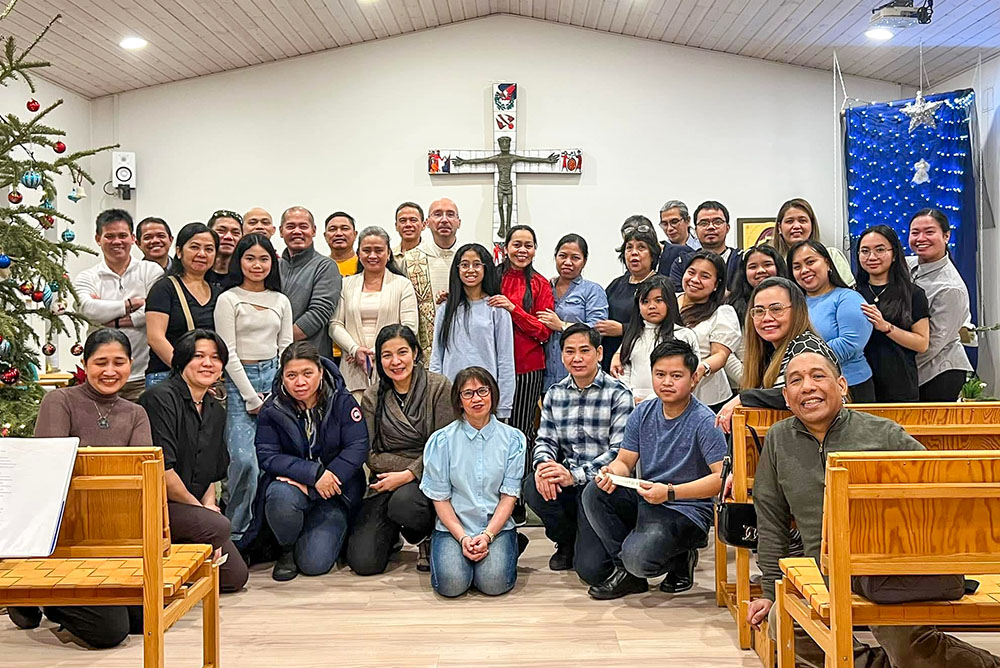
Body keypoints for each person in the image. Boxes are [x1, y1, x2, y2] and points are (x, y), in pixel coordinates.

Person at [748, 344, 1000, 668]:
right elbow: (770, 520)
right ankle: (872, 663)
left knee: (911, 651)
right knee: (781, 624)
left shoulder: (883, 433)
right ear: (786, 396)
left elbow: (940, 492)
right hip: (818, 572)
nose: (807, 386)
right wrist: (770, 592)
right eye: (795, 380)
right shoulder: (779, 439)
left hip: (885, 572)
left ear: (841, 385)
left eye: (817, 376)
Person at [7, 329, 151, 649]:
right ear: (85, 363)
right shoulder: (59, 400)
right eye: (101, 362)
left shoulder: (136, 413)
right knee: (110, 632)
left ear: (130, 365)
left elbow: (139, 475)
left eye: (119, 362)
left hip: (113, 534)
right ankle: (41, 597)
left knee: (143, 619)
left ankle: (38, 597)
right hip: (64, 530)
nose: (110, 371)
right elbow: (49, 470)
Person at [583, 339, 726, 599]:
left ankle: (682, 556)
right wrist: (611, 473)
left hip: (687, 509)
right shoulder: (642, 412)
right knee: (594, 492)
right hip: (648, 496)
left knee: (639, 558)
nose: (667, 382)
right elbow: (625, 461)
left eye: (676, 375)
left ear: (693, 378)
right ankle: (625, 572)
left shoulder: (705, 421)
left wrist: (670, 492)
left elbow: (722, 478)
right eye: (660, 375)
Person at [137, 330, 249, 593]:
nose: (208, 363)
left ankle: (180, 558)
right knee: (218, 525)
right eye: (199, 356)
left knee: (234, 577)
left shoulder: (214, 409)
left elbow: (212, 471)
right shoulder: (160, 399)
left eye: (215, 357)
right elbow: (162, 471)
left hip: (194, 507)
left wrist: (209, 504)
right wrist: (200, 509)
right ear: (182, 360)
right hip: (160, 506)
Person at [526, 324, 633, 582]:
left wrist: (573, 475)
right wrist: (543, 466)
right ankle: (567, 540)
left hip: (601, 486)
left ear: (599, 353)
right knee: (532, 485)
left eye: (584, 351)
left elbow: (618, 453)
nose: (577, 358)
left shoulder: (619, 394)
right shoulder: (555, 394)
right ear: (561, 356)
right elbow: (545, 440)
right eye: (570, 351)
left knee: (592, 571)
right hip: (568, 482)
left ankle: (594, 540)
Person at [346, 325, 456, 576]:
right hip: (385, 480)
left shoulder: (438, 387)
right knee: (363, 563)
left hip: (431, 478)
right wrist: (398, 473)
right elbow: (370, 454)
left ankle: (428, 536)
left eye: (402, 352)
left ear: (415, 353)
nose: (395, 361)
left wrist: (410, 473)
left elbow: (446, 447)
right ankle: (392, 536)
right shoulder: (373, 396)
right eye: (387, 355)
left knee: (405, 502)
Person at [254, 341, 368, 581]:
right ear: (282, 377)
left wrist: (325, 480)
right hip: (293, 487)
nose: (300, 382)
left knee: (313, 564)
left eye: (307, 373)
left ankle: (334, 533)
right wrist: (314, 475)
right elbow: (267, 455)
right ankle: (285, 549)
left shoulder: (342, 400)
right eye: (291, 375)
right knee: (279, 495)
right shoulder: (272, 408)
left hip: (335, 494)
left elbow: (357, 447)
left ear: (321, 372)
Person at [420, 367, 526, 597]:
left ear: (493, 394)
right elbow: (440, 498)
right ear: (458, 401)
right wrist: (463, 537)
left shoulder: (513, 439)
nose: (476, 398)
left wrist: (487, 536)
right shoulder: (442, 441)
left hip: (495, 527)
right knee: (451, 586)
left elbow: (509, 496)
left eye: (482, 391)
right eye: (467, 393)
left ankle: (507, 547)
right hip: (454, 528)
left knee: (494, 584)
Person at [214, 234, 293, 542]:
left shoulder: (280, 300)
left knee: (271, 461)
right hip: (238, 382)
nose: (257, 265)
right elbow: (227, 352)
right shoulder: (228, 298)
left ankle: (265, 536)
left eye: (263, 259)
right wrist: (250, 396)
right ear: (239, 262)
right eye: (250, 258)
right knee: (243, 461)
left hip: (276, 380)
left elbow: (286, 348)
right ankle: (234, 535)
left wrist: (278, 391)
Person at [73, 208, 163, 401]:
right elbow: (88, 310)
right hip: (101, 377)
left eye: (122, 235)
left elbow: (155, 311)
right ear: (98, 239)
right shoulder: (87, 277)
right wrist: (132, 304)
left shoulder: (151, 271)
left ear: (132, 238)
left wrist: (108, 318)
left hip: (142, 377)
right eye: (109, 236)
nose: (117, 242)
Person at [716, 277, 817, 433]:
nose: (767, 318)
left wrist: (743, 398)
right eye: (759, 311)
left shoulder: (806, 346)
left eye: (776, 309)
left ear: (797, 310)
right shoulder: (771, 351)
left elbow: (802, 393)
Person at [330, 226, 418, 401]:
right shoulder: (345, 284)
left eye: (379, 250)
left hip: (392, 367)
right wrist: (355, 350)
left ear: (388, 253)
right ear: (358, 253)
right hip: (352, 366)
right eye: (366, 250)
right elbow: (335, 325)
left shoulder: (402, 285)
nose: (372, 256)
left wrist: (376, 351)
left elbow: (410, 327)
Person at [429, 243, 515, 419]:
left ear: (486, 269)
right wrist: (435, 395)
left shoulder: (497, 309)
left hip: (486, 396)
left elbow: (505, 360)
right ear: (457, 269)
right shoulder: (446, 309)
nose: (470, 270)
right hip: (451, 395)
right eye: (464, 264)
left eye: (476, 264)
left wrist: (504, 404)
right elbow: (437, 356)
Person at [492, 224, 553, 457]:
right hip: (493, 365)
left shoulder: (540, 283)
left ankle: (519, 488)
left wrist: (513, 309)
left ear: (535, 250)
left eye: (528, 245)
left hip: (528, 367)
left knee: (521, 428)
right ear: (505, 248)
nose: (522, 250)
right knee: (491, 428)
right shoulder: (492, 277)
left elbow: (543, 331)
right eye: (516, 244)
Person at [789, 240, 874, 402]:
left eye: (810, 262)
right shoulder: (795, 304)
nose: (804, 270)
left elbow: (850, 343)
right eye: (797, 266)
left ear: (827, 264)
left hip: (851, 386)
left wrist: (803, 360)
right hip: (808, 389)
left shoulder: (848, 298)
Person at [856, 225, 929, 402]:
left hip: (899, 385)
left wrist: (886, 327)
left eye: (880, 250)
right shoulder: (852, 294)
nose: (872, 257)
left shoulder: (913, 294)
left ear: (894, 254)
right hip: (860, 385)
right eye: (864, 251)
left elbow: (922, 343)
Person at [907, 208, 974, 401]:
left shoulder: (951, 287)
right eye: (915, 232)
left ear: (946, 236)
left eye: (929, 232)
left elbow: (933, 343)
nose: (921, 238)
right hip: (913, 370)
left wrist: (895, 369)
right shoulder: (907, 265)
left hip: (938, 372)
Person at [145, 222, 221, 387]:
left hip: (204, 379)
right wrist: (185, 371)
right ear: (179, 251)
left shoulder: (218, 293)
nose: (202, 254)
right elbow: (155, 337)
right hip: (167, 376)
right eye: (194, 247)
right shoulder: (164, 288)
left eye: (209, 249)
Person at [611, 275, 699, 403]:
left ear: (670, 302)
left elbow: (690, 374)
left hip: (671, 402)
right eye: (645, 301)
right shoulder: (633, 335)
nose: (651, 306)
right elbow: (624, 370)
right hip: (634, 403)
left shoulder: (683, 335)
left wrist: (650, 401)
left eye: (658, 300)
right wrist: (631, 397)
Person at [538, 234, 609, 391]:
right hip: (547, 374)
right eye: (562, 256)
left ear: (584, 261)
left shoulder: (592, 290)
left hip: (581, 375)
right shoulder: (544, 287)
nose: (567, 262)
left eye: (575, 257)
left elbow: (598, 329)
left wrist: (562, 325)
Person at [677, 251, 743, 411]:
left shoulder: (722, 313)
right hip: (668, 392)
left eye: (705, 276)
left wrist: (701, 369)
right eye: (691, 272)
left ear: (716, 284)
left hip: (706, 398)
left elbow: (720, 355)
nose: (695, 280)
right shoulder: (667, 301)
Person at [278, 205, 342, 359]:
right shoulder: (274, 267)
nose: (297, 231)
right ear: (281, 231)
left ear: (313, 231)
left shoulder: (325, 266)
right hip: (274, 359)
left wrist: (276, 339)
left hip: (311, 358)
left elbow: (317, 314)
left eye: (303, 226)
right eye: (291, 226)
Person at [599, 218, 661, 372]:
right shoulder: (616, 284)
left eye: (641, 247)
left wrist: (623, 329)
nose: (634, 253)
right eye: (629, 248)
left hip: (642, 361)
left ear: (652, 254)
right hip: (609, 357)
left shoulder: (660, 285)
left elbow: (664, 324)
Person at [769, 197, 855, 288]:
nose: (796, 226)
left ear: (812, 225)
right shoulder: (771, 263)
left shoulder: (831, 255)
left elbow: (850, 293)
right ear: (779, 228)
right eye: (789, 221)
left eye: (802, 220)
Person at [669, 201, 740, 288]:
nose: (711, 227)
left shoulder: (740, 260)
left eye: (717, 222)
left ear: (727, 228)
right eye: (704, 223)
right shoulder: (682, 262)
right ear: (696, 230)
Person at [726, 245, 788, 323]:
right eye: (753, 267)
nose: (760, 270)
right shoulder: (732, 309)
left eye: (767, 265)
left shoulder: (793, 298)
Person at [416, 197, 462, 302]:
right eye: (437, 214)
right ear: (427, 222)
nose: (444, 220)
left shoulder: (470, 257)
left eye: (450, 214)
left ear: (459, 222)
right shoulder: (412, 259)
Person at [656, 200, 698, 278]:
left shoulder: (700, 248)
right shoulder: (659, 252)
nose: (669, 228)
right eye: (664, 224)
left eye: (674, 222)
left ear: (688, 221)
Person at [206, 209, 243, 284]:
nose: (228, 237)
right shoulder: (196, 272)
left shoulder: (245, 278)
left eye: (235, 233)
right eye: (221, 231)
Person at [324, 211, 361, 277]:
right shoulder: (320, 266)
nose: (339, 233)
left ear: (355, 234)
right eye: (332, 229)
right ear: (325, 236)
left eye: (344, 229)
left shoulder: (365, 265)